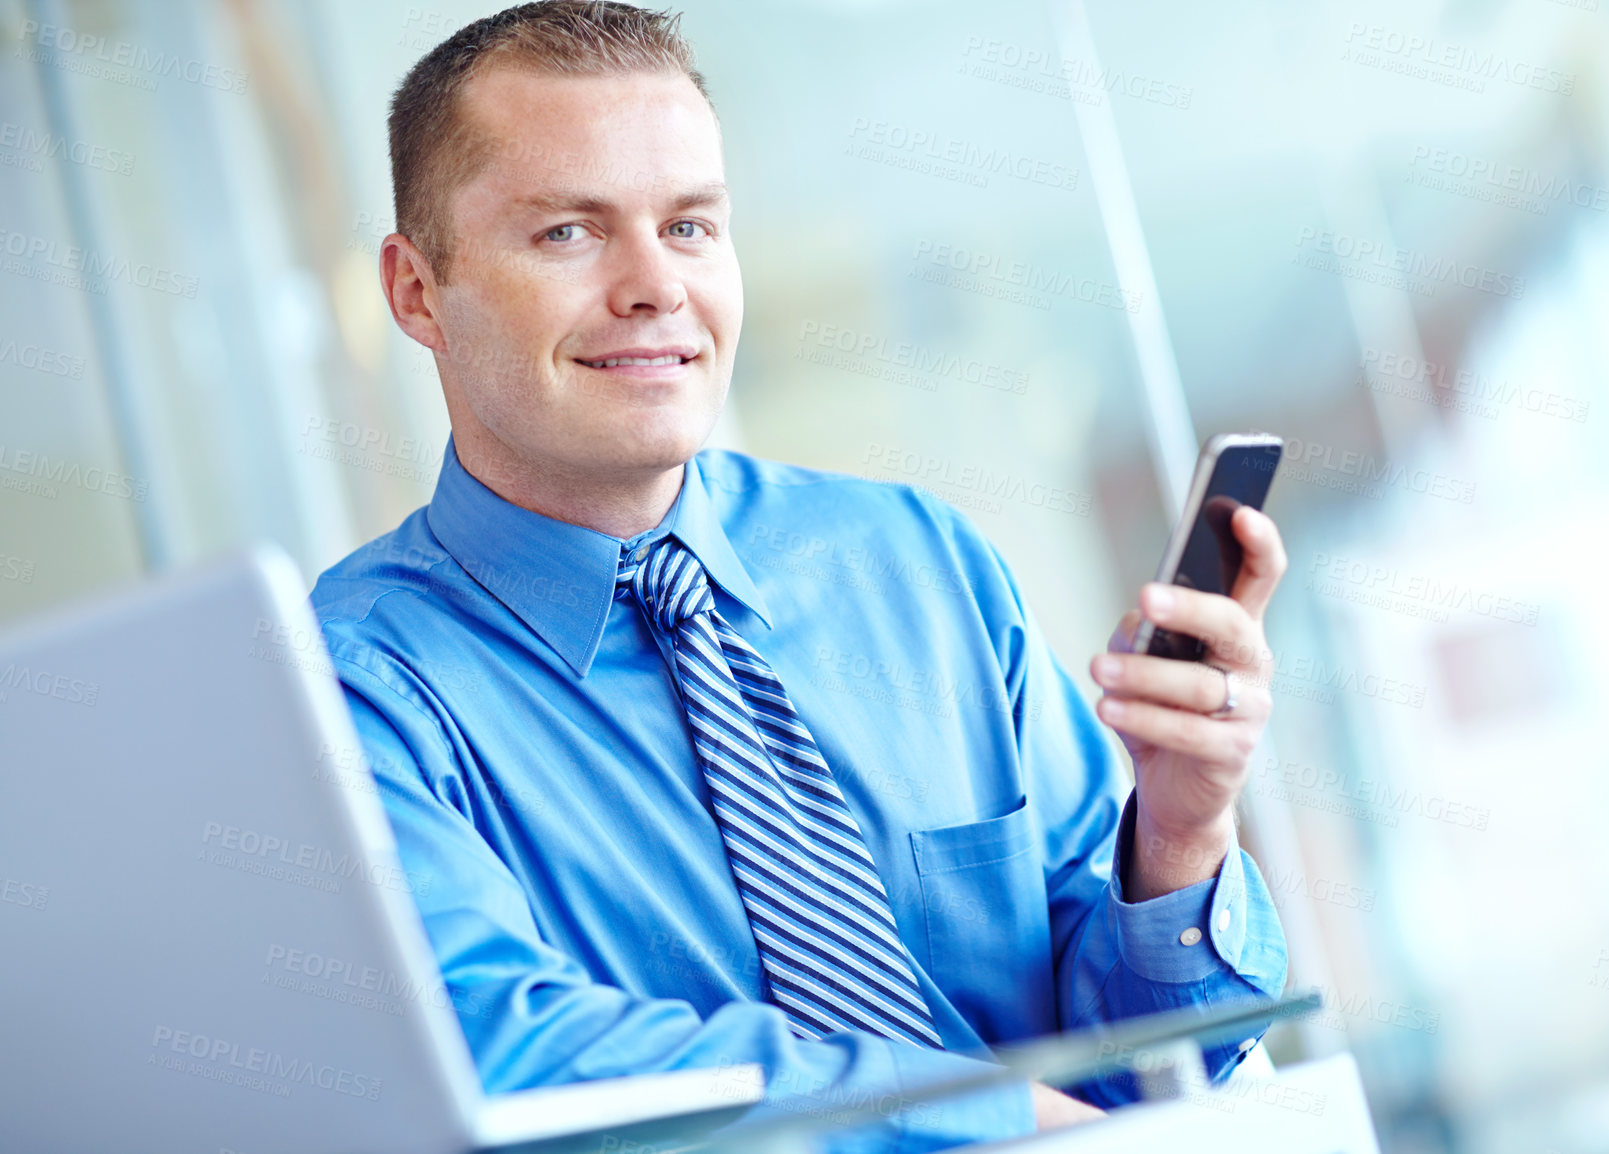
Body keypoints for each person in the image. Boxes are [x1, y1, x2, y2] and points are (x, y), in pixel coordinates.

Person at [311, 2, 1291, 1149]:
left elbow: (1141, 1055)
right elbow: (503, 1048)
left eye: (689, 227)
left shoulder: (921, 567)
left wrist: (1176, 831)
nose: (654, 286)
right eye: (569, 232)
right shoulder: (348, 686)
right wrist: (974, 1114)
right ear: (417, 289)